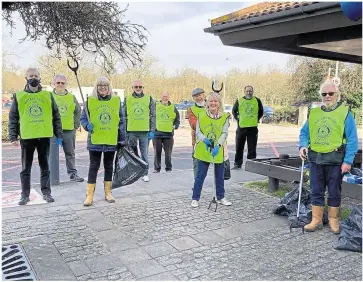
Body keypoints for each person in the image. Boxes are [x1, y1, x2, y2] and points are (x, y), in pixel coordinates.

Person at [299, 81, 358, 234]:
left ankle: (333, 220)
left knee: (334, 191)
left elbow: (352, 139)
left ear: (337, 95)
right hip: (316, 159)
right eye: (324, 94)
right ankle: (316, 219)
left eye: (331, 93)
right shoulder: (315, 113)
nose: (327, 96)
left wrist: (348, 161)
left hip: (335, 159)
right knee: (316, 190)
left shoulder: (345, 112)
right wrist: (303, 145)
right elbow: (305, 133)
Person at [8, 68, 63, 205]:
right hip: (27, 137)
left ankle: (46, 192)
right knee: (25, 168)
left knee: (45, 167)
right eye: (31, 76)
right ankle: (24, 195)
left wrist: (59, 134)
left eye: (36, 76)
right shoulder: (19, 96)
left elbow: (56, 116)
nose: (34, 78)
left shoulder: (47, 95)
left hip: (44, 136)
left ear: (40, 78)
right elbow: (13, 117)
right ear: (26, 78)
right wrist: (13, 136)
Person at [80, 77, 126, 206]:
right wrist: (86, 125)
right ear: (96, 87)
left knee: (109, 166)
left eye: (105, 85)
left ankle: (108, 192)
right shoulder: (90, 101)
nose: (103, 87)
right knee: (93, 167)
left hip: (111, 139)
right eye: (100, 85)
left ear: (109, 87)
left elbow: (121, 121)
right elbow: (83, 118)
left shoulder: (116, 101)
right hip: (95, 140)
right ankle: (89, 195)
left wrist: (122, 139)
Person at [191, 92, 232, 207]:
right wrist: (204, 140)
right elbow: (198, 131)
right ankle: (195, 198)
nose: (213, 103)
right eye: (211, 101)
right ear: (207, 103)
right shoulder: (201, 115)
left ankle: (220, 197)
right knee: (200, 175)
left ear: (219, 103)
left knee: (219, 176)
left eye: (215, 101)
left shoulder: (225, 117)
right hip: (204, 149)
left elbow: (224, 133)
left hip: (218, 150)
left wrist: (218, 145)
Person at [51, 74, 84, 182]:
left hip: (68, 131)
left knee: (70, 153)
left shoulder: (71, 97)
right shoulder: (49, 96)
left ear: (66, 85)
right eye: (58, 83)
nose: (60, 85)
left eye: (62, 83)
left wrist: (75, 125)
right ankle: (50, 176)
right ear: (54, 84)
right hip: (53, 131)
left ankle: (73, 174)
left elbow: (78, 111)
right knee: (51, 154)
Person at [124, 80, 156, 182]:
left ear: (143, 88)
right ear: (132, 87)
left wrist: (152, 130)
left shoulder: (149, 98)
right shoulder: (127, 99)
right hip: (131, 131)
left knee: (144, 153)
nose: (138, 88)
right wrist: (124, 131)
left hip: (144, 131)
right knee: (132, 153)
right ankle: (134, 172)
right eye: (136, 86)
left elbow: (153, 115)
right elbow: (123, 115)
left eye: (140, 87)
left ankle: (145, 173)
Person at [231, 85, 263, 170]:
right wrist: (238, 119)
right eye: (247, 91)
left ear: (253, 91)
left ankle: (251, 165)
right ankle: (237, 164)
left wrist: (256, 119)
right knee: (239, 147)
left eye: (250, 91)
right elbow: (234, 111)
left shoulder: (257, 100)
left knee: (252, 148)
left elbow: (261, 111)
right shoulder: (239, 100)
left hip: (252, 128)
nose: (249, 92)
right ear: (244, 92)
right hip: (241, 128)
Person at [153, 91, 180, 173]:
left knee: (168, 153)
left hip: (168, 134)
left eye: (166, 96)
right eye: (163, 96)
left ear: (168, 97)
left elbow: (177, 119)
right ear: (161, 97)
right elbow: (151, 116)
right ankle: (157, 168)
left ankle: (168, 168)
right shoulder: (155, 105)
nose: (165, 98)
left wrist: (175, 126)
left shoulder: (173, 107)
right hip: (157, 133)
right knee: (157, 152)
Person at [187, 88, 206, 178]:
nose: (199, 98)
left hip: (213, 138)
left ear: (204, 95)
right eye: (196, 96)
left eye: (200, 95)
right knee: (197, 164)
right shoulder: (191, 110)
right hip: (197, 141)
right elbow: (193, 124)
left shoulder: (212, 105)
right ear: (194, 98)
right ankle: (197, 184)